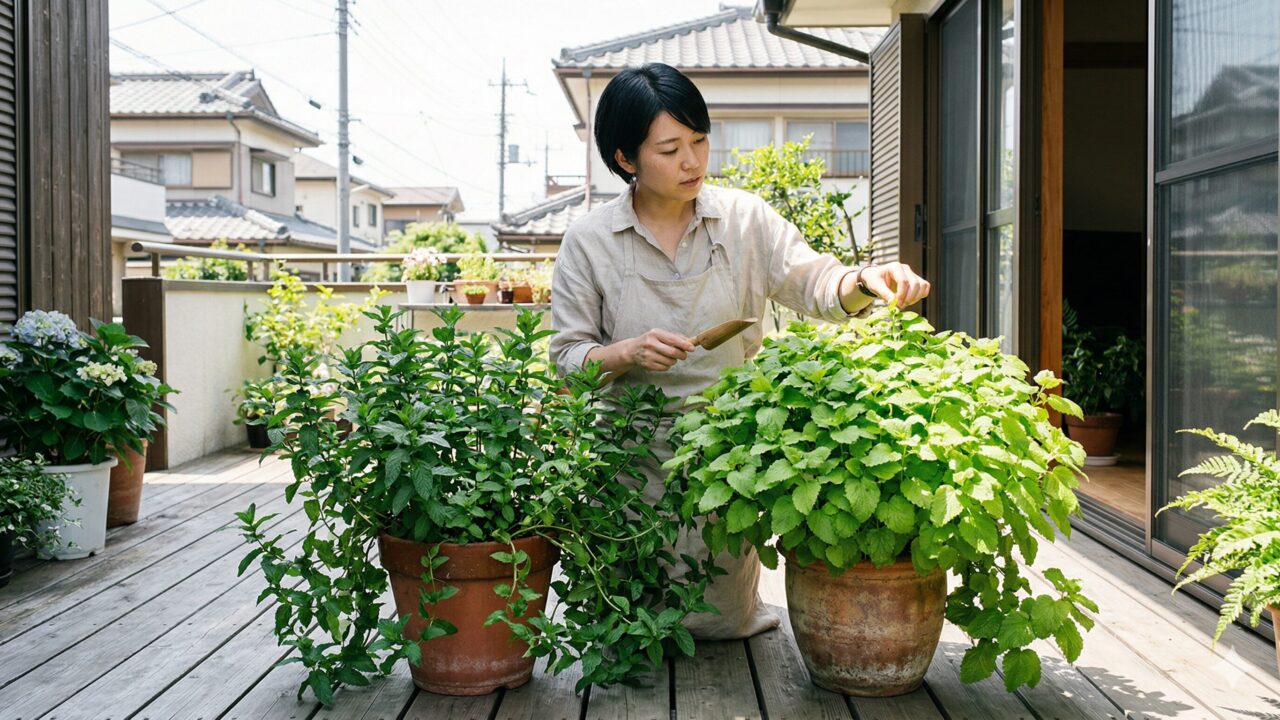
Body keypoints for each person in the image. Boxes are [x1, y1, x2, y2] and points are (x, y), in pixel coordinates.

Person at [548, 63, 931, 639]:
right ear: (626, 159)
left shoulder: (745, 219)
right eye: (670, 149)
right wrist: (626, 353)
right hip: (630, 462)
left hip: (726, 458)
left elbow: (816, 283)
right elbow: (567, 362)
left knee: (719, 624)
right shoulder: (589, 240)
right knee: (630, 625)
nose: (692, 162)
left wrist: (865, 281)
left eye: (700, 141)